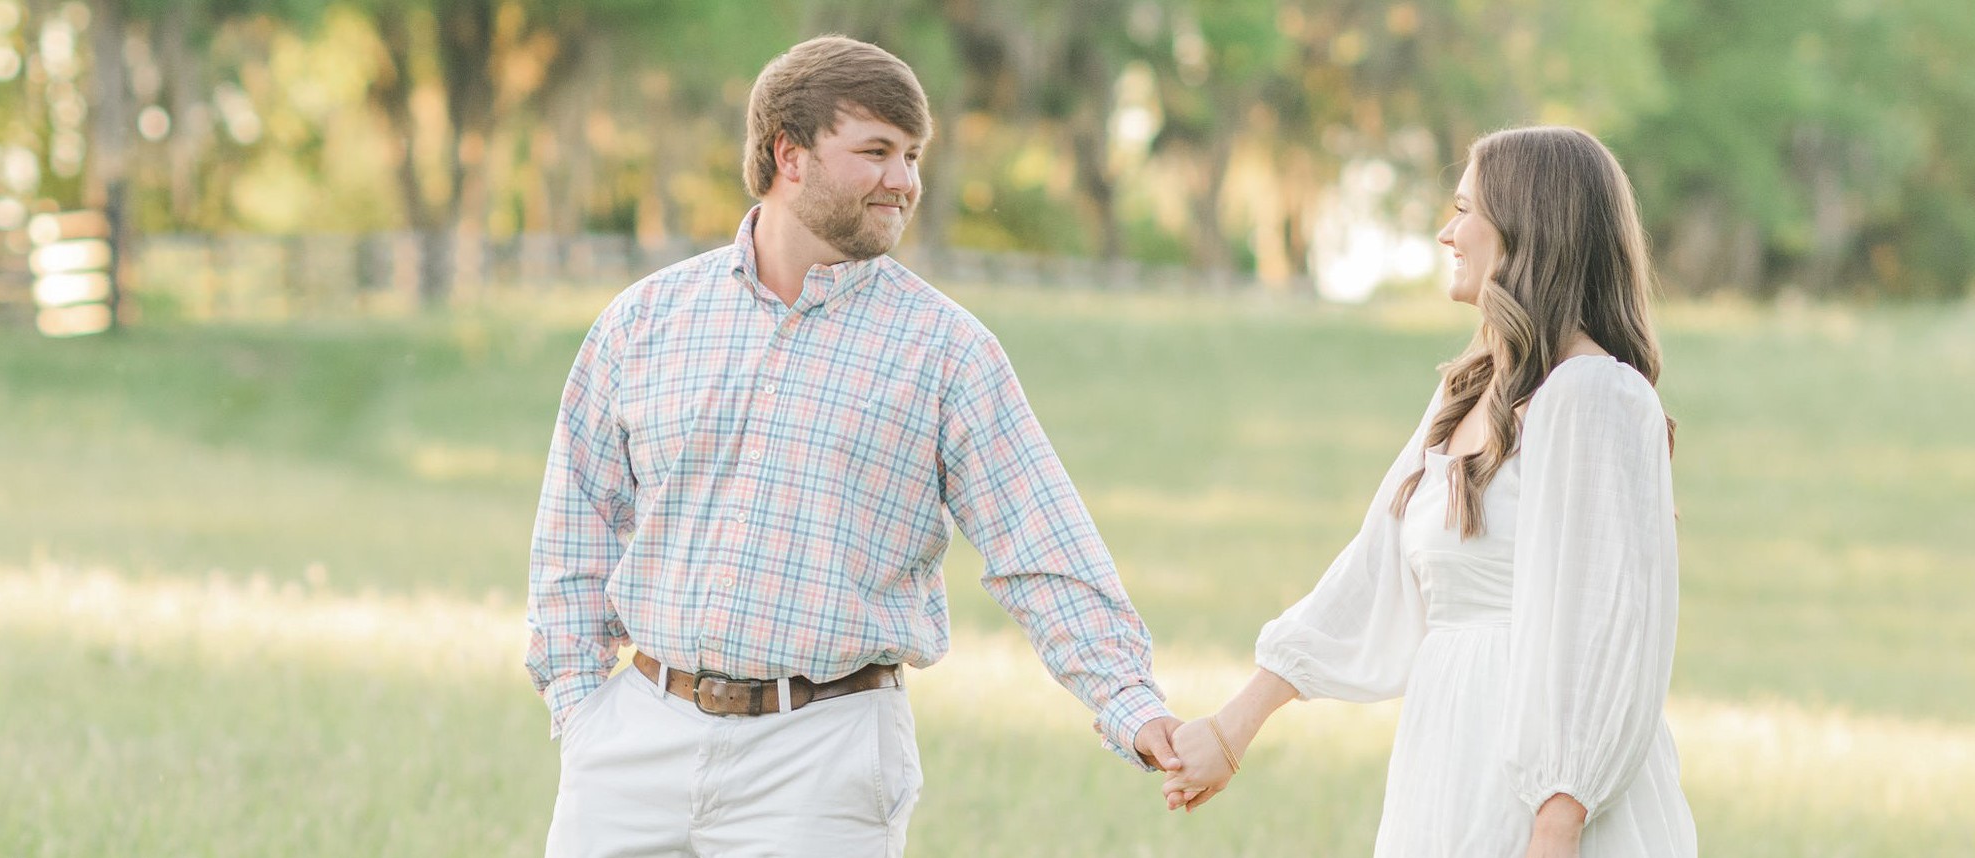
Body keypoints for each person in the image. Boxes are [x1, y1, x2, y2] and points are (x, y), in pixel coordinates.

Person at [526, 35, 1186, 856]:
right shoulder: (644, 321)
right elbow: (576, 524)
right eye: (876, 151)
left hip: (825, 761)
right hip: (633, 745)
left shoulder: (946, 353)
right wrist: (580, 706)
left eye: (912, 156)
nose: (903, 180)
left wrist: (1131, 704)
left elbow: (1039, 544)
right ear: (788, 155)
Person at [1160, 126, 1697, 857]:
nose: (1447, 232)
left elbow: (1604, 631)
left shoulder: (1595, 395)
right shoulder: (1465, 394)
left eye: (1465, 210)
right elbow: (1371, 570)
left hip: (1544, 793)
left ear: (1527, 226)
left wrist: (1557, 820)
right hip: (1447, 764)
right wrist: (1232, 729)